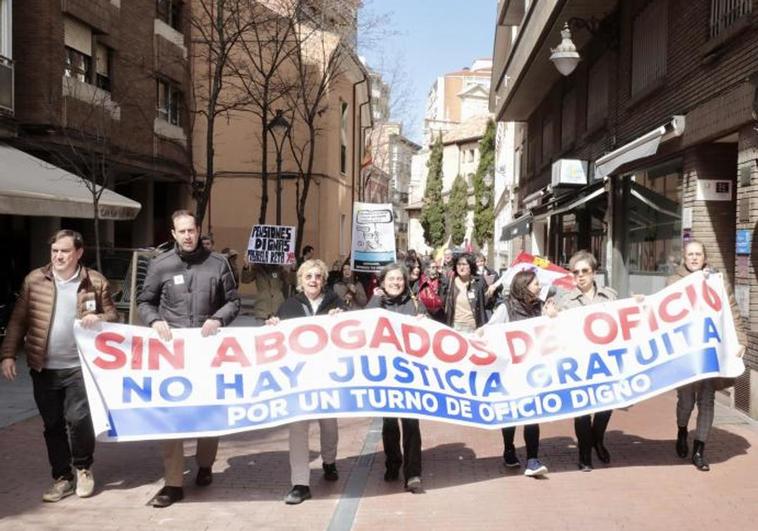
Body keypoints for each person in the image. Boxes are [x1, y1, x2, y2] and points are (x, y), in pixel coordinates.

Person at [1, 229, 118, 502]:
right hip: (43, 367)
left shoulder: (95, 281)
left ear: (78, 253)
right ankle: (62, 477)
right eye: (55, 251)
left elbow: (113, 315)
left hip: (80, 366)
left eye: (65, 251)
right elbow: (19, 319)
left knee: (78, 420)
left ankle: (83, 468)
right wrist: (7, 354)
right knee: (52, 424)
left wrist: (100, 317)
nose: (58, 256)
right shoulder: (35, 280)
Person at [137, 210, 240, 507]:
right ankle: (173, 484)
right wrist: (154, 320)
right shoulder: (161, 265)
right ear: (173, 234)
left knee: (208, 414)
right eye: (181, 231)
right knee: (173, 418)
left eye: (191, 230)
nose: (187, 236)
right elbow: (145, 301)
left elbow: (233, 301)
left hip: (208, 354)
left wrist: (219, 319)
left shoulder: (218, 264)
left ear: (198, 230)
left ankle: (205, 464)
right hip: (173, 355)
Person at [266, 259, 345, 504]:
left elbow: (351, 334)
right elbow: (274, 339)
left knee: (328, 424)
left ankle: (329, 461)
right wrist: (272, 326)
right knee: (298, 428)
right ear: (301, 280)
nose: (313, 280)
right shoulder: (288, 306)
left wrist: (341, 319)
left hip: (327, 376)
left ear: (324, 280)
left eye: (318, 276)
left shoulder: (336, 304)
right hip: (297, 379)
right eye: (308, 276)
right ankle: (300, 483)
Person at [667, 240, 746, 471]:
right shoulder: (673, 282)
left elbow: (732, 311)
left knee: (707, 401)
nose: (694, 258)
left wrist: (741, 339)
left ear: (704, 257)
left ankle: (699, 450)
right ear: (684, 257)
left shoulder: (716, 281)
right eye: (690, 254)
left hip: (711, 352)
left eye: (698, 254)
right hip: (686, 354)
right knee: (686, 401)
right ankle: (682, 431)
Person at [485, 270, 554, 478]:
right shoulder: (506, 308)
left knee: (533, 415)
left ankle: (532, 459)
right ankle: (508, 449)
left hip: (532, 371)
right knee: (511, 413)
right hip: (511, 371)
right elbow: (490, 330)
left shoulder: (540, 308)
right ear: (523, 286)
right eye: (535, 284)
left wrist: (552, 318)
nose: (539, 287)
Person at [366, 263, 427, 493]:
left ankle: (413, 474)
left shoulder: (415, 303)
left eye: (399, 279)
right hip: (385, 374)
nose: (395, 283)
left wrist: (425, 322)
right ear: (382, 282)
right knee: (389, 423)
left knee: (411, 423)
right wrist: (374, 299)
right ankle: (393, 463)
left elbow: (430, 329)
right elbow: (363, 325)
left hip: (411, 374)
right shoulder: (376, 303)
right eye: (390, 279)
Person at [555, 250, 616, 471]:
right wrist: (550, 315)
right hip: (578, 364)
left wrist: (640, 304)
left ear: (594, 272)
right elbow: (552, 330)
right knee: (581, 410)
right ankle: (584, 454)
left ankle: (597, 439)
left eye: (585, 271)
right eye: (576, 272)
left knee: (606, 407)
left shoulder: (610, 297)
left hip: (605, 362)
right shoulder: (565, 302)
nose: (580, 276)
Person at [443, 252, 487, 333]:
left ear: (471, 266)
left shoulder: (478, 282)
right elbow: (440, 303)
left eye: (464, 264)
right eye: (458, 264)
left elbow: (484, 306)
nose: (461, 267)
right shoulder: (450, 283)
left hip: (473, 329)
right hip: (454, 328)